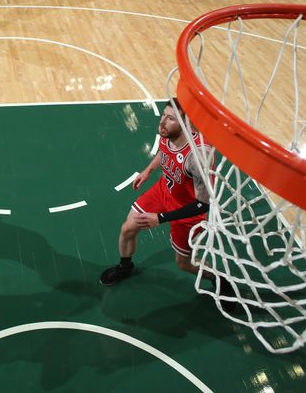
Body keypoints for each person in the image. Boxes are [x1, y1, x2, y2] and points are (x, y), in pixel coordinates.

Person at [99, 100, 236, 311]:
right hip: (164, 191)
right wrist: (148, 171)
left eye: (170, 118)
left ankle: (221, 280)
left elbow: (203, 205)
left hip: (187, 212)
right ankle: (125, 267)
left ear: (187, 125)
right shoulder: (168, 134)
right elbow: (164, 152)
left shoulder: (198, 156)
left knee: (184, 263)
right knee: (127, 228)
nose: (162, 121)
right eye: (163, 115)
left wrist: (160, 219)